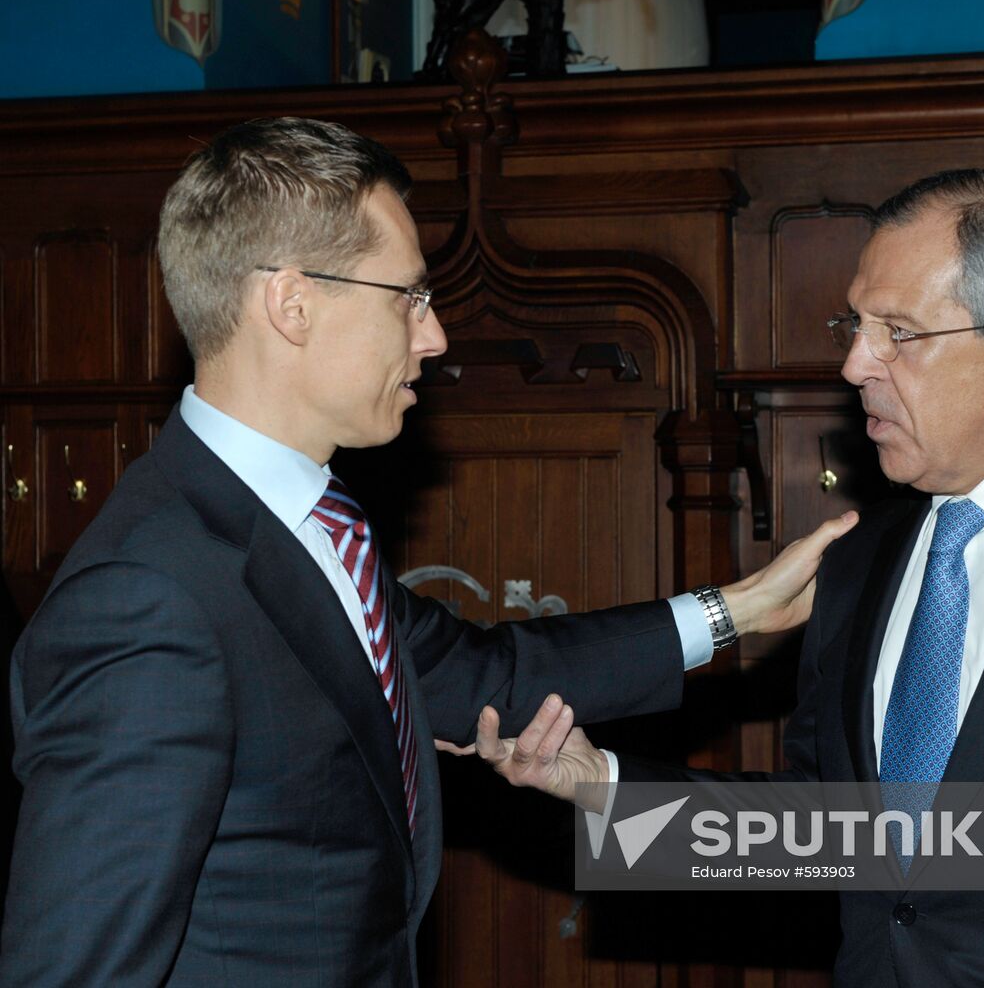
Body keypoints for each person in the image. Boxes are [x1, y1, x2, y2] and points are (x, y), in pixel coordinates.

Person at [0, 117, 856, 987]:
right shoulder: (149, 595)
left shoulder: (310, 523)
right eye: (406, 297)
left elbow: (483, 678)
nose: (435, 335)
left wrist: (737, 611)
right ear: (291, 306)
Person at [472, 168, 984, 986]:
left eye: (896, 331)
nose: (853, 364)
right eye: (853, 324)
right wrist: (601, 787)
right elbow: (830, 834)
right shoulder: (860, 560)